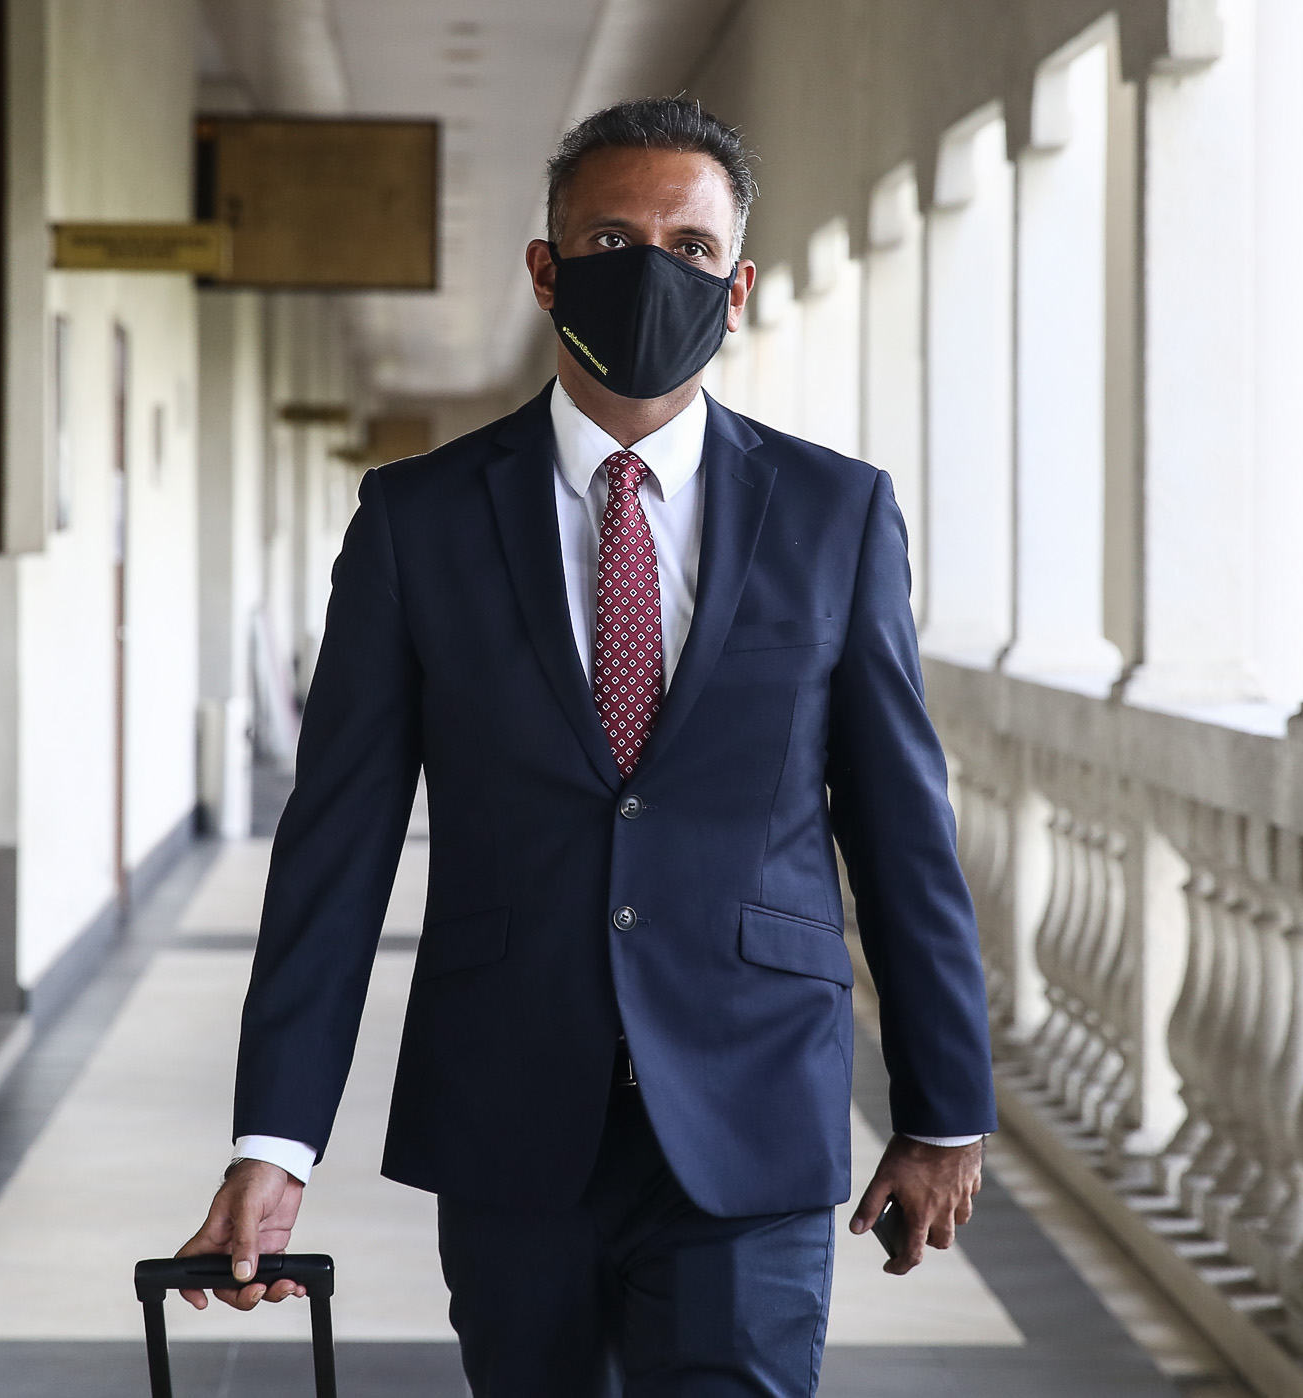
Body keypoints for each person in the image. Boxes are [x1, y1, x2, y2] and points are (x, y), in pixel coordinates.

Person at [177, 96, 994, 1397]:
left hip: (756, 1096)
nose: (653, 269)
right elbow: (334, 845)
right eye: (615, 239)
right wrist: (274, 1139)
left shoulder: (837, 516)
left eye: (689, 243)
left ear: (735, 290)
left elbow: (900, 826)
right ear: (547, 272)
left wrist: (945, 1102)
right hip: (508, 1106)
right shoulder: (418, 521)